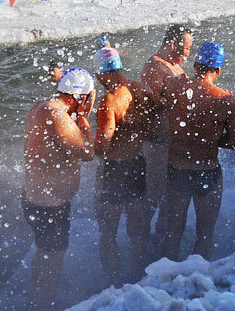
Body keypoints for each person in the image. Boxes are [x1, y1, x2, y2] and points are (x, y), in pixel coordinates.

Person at [161, 42, 235, 260]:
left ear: (196, 65)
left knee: (173, 232)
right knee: (205, 234)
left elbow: (161, 113)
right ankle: (200, 283)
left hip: (177, 168)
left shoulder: (174, 87)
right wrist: (211, 138)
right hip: (207, 170)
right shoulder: (225, 99)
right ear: (218, 70)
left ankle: (162, 282)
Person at [23, 67, 95, 308]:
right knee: (51, 264)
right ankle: (42, 304)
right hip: (49, 207)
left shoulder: (40, 107)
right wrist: (85, 118)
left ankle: (34, 300)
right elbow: (87, 152)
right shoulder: (58, 115)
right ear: (80, 98)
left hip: (36, 199)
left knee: (43, 258)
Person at [92, 48, 155, 285]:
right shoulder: (139, 89)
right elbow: (150, 125)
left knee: (108, 233)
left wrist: (85, 141)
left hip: (114, 170)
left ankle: (114, 283)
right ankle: (140, 278)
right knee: (138, 230)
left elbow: (104, 143)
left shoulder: (109, 101)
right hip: (137, 164)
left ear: (101, 74)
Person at [140, 25, 193, 239]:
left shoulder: (172, 66)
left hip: (171, 142)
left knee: (170, 195)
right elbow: (155, 103)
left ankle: (161, 237)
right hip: (157, 143)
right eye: (187, 48)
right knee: (154, 195)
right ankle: (141, 241)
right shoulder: (155, 67)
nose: (189, 53)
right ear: (173, 44)